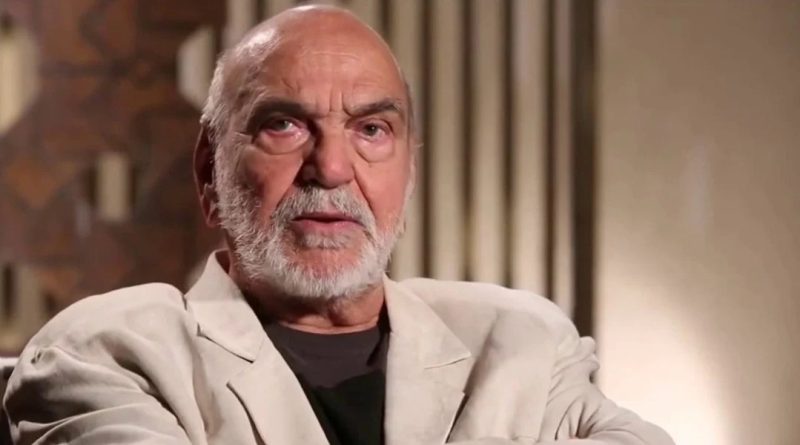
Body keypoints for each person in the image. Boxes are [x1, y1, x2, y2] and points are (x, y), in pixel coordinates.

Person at [2, 5, 673, 445]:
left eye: (371, 129)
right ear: (210, 172)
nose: (330, 167)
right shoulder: (111, 350)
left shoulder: (521, 339)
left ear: (407, 171)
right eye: (284, 125)